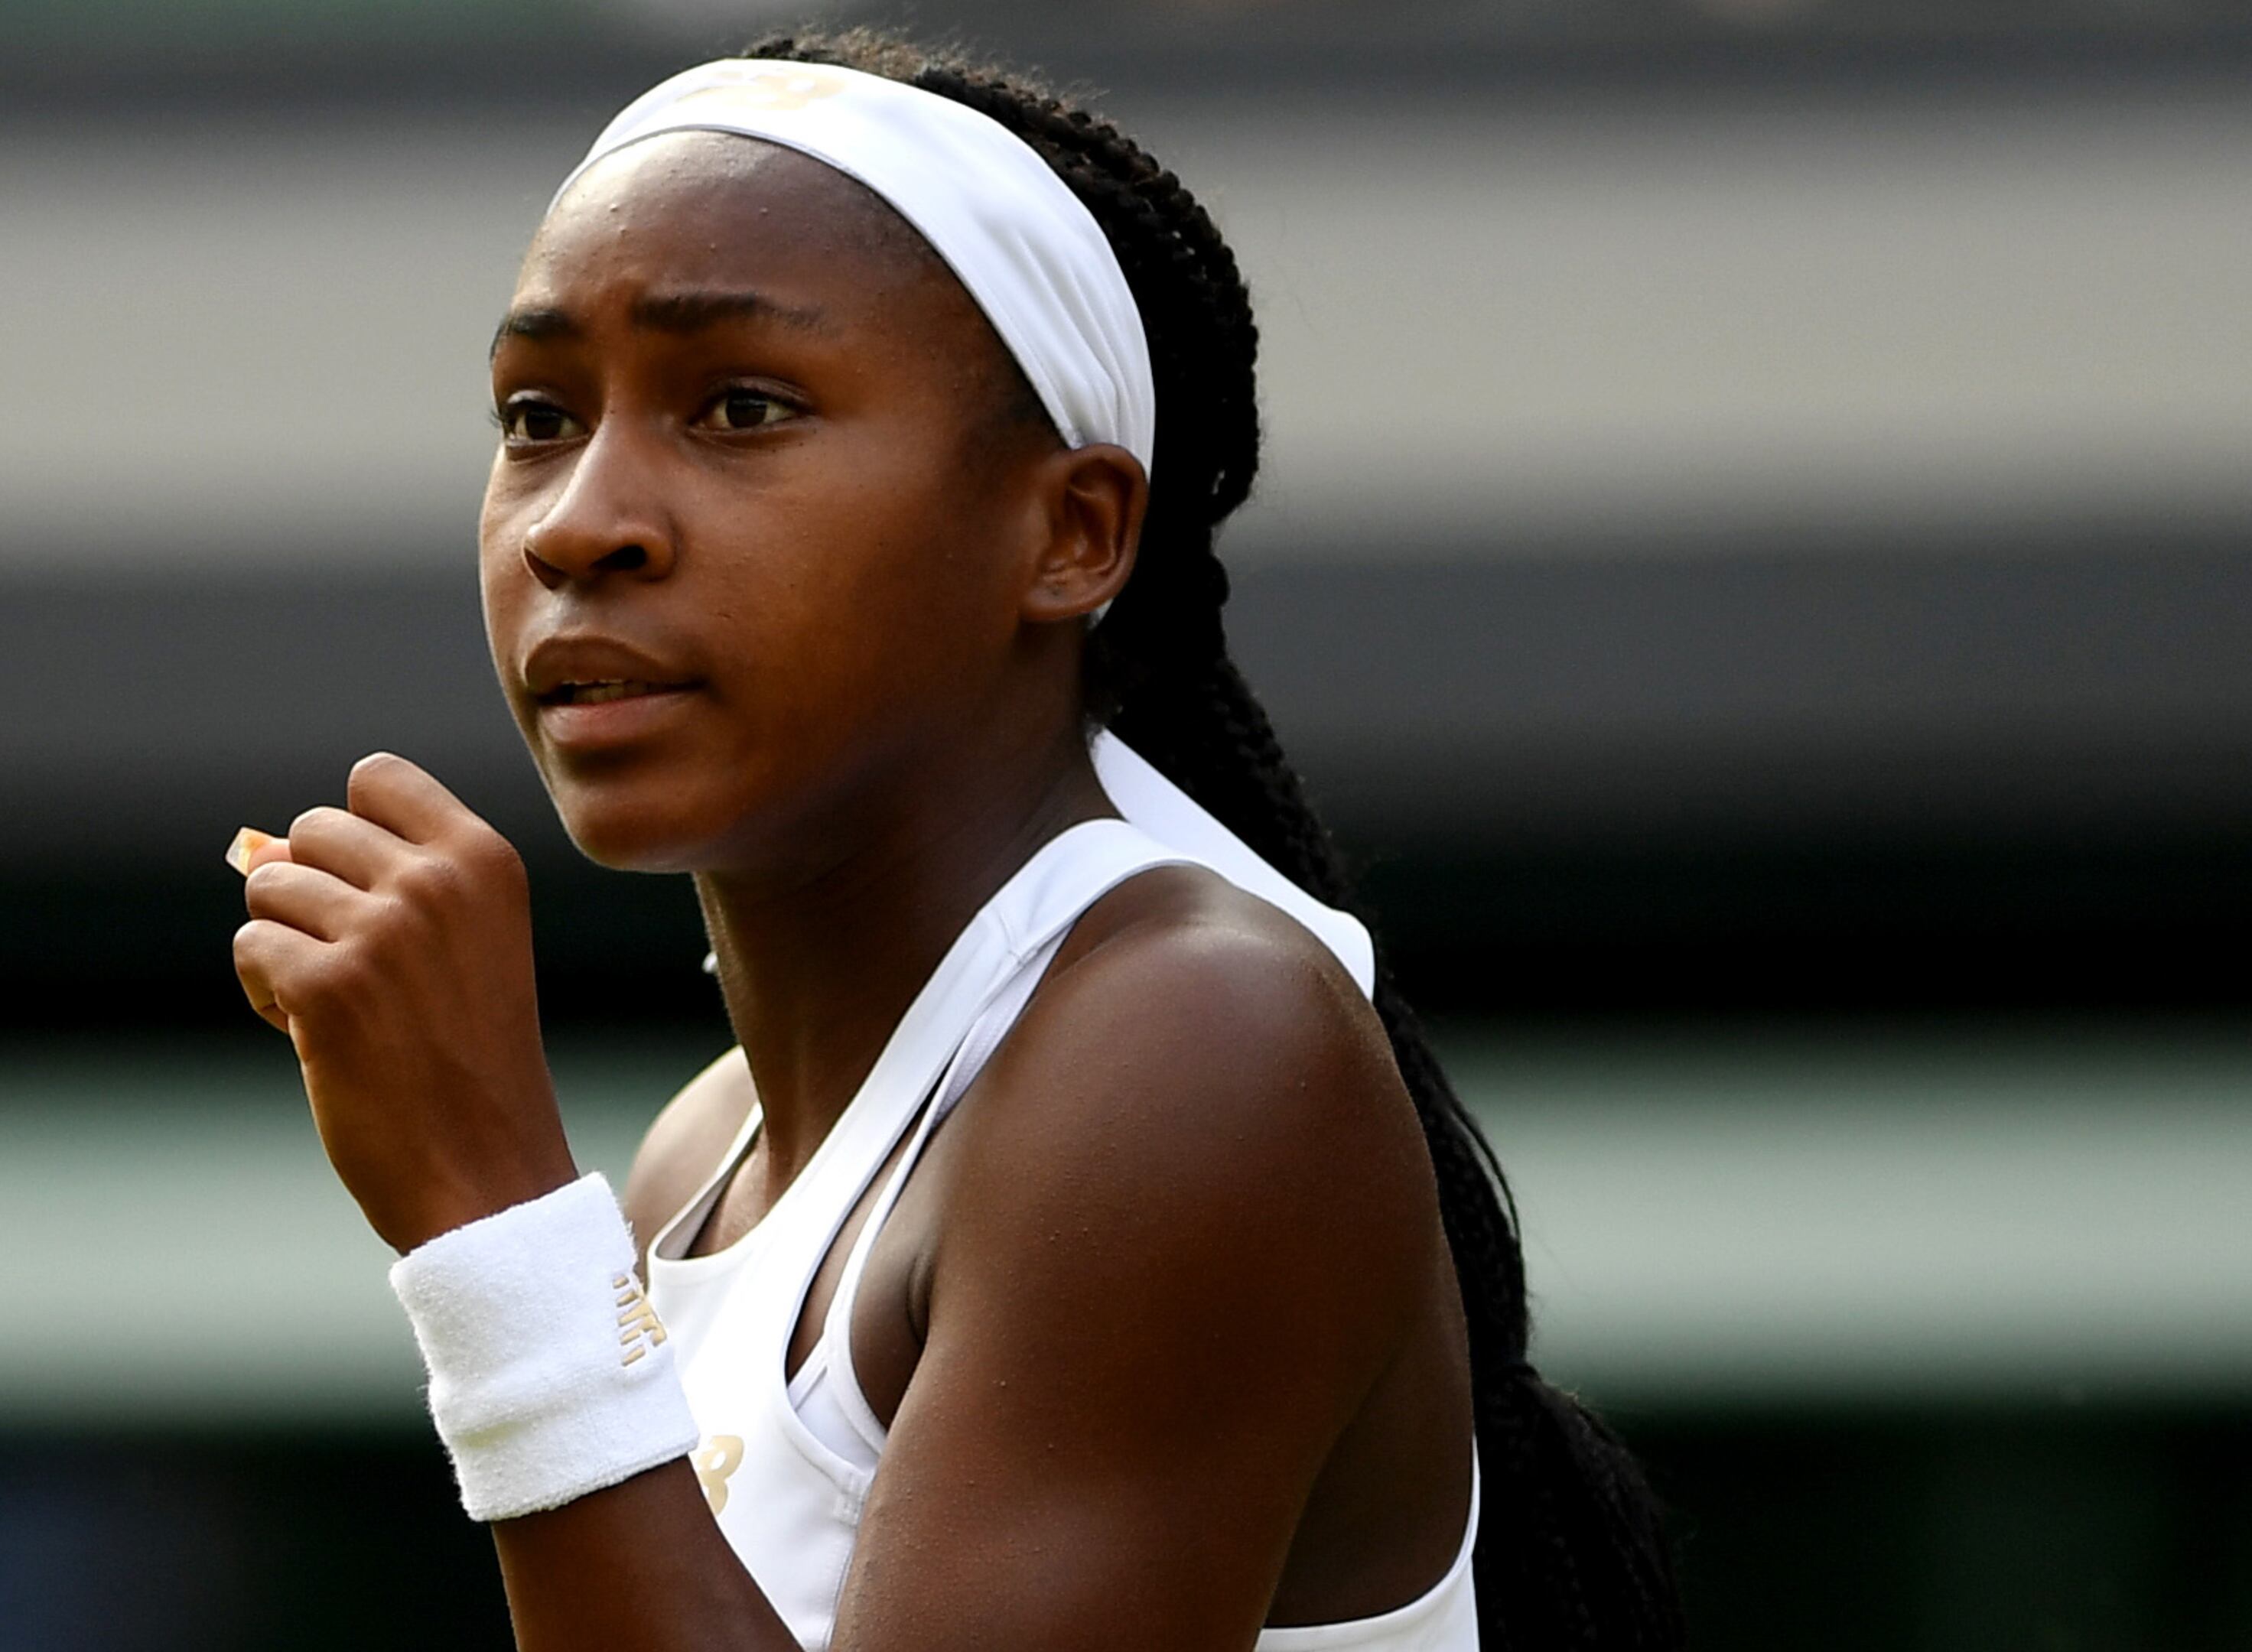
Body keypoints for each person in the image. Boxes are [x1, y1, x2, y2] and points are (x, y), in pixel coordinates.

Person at [230, 30, 1682, 1651]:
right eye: (536, 415)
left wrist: (494, 1225)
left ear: (1070, 534)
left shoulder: (1195, 1048)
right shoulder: (700, 1158)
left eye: (743, 406)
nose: (581, 520)